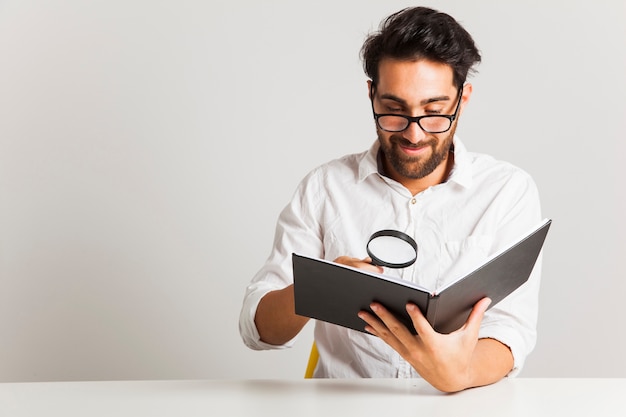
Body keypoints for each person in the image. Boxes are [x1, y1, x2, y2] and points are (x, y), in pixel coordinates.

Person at [239, 6, 542, 393]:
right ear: (371, 94)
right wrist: (320, 286)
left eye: (434, 113)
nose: (414, 135)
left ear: (462, 100)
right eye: (394, 111)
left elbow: (511, 329)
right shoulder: (325, 188)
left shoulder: (506, 191)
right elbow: (258, 329)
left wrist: (460, 374)